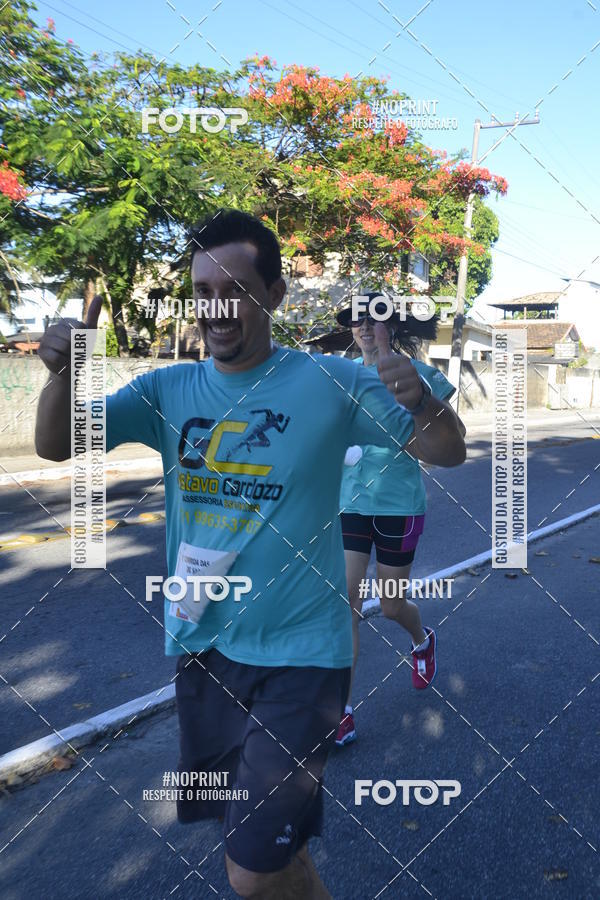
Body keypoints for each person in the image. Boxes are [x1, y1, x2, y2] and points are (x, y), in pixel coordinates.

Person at [34, 211, 465, 899]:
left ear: (274, 294)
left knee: (251, 870)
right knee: (269, 854)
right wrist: (61, 374)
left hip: (302, 656)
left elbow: (448, 451)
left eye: (234, 287)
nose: (216, 306)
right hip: (203, 646)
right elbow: (60, 444)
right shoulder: (166, 391)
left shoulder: (330, 382)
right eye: (203, 290)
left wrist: (422, 407)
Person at [334, 295, 466, 747]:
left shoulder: (419, 373)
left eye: (376, 319)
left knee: (390, 604)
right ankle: (341, 712)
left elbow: (455, 438)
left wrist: (421, 402)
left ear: (393, 326)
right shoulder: (341, 374)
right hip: (349, 502)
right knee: (344, 605)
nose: (366, 328)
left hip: (399, 505)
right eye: (358, 320)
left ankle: (421, 638)